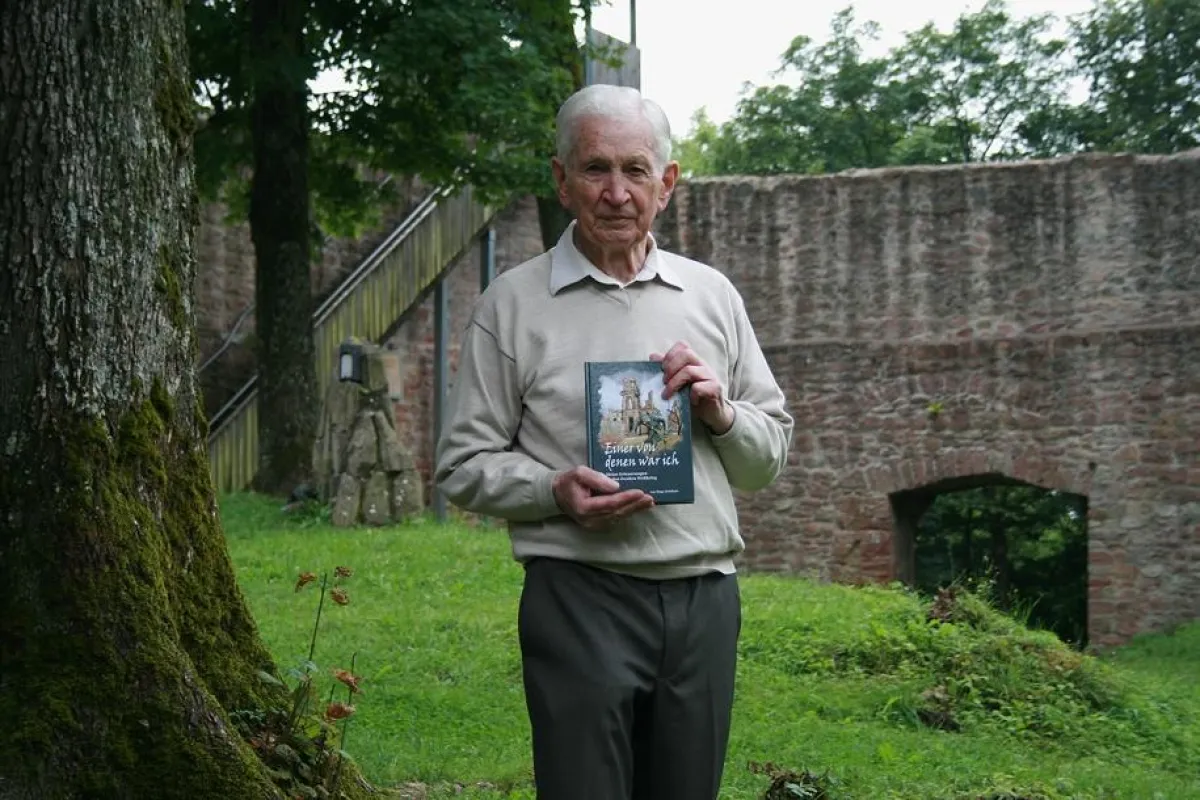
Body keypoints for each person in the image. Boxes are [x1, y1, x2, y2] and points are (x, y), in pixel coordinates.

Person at [434, 84, 793, 800]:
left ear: (667, 184)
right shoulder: (512, 304)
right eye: (596, 169)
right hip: (577, 595)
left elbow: (766, 460)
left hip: (704, 599)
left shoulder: (712, 295)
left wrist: (720, 413)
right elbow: (462, 464)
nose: (617, 192)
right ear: (561, 181)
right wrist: (551, 491)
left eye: (636, 170)